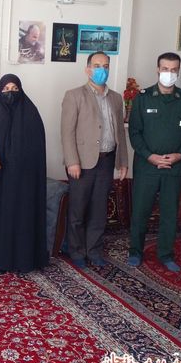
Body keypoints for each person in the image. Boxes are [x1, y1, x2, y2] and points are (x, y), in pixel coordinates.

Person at [128, 52, 181, 272]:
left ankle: (166, 254)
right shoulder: (143, 97)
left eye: (173, 70)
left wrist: (180, 154)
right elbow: (134, 132)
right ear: (158, 70)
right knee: (140, 211)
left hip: (174, 166)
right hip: (146, 165)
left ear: (178, 71)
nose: (169, 73)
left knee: (169, 213)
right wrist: (150, 156)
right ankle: (135, 252)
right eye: (165, 69)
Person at [61, 51, 129, 269]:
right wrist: (72, 161)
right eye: (97, 66)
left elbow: (120, 132)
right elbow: (67, 132)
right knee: (78, 210)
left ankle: (94, 250)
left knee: (99, 210)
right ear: (88, 69)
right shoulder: (74, 95)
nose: (102, 70)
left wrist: (123, 161)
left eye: (106, 66)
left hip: (107, 161)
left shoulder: (116, 98)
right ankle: (76, 251)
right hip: (82, 163)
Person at [0, 74, 48, 273]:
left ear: (20, 90)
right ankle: (1, 261)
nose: (10, 92)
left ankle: (24, 261)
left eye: (14, 89)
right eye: (6, 89)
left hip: (24, 181)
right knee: (0, 219)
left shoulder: (31, 114)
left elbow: (38, 150)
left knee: (23, 218)